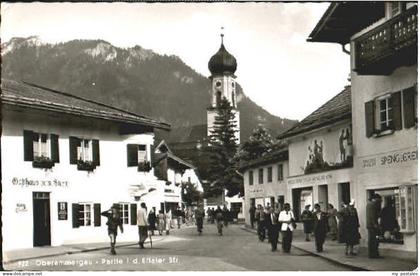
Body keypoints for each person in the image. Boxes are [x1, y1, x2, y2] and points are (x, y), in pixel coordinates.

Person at [366, 193, 382, 258]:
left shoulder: (369, 204)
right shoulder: (372, 205)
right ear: (375, 199)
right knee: (374, 240)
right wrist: (375, 225)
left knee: (372, 240)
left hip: (370, 225)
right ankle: (374, 254)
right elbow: (372, 216)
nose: (380, 201)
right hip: (372, 225)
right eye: (379, 200)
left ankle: (373, 254)